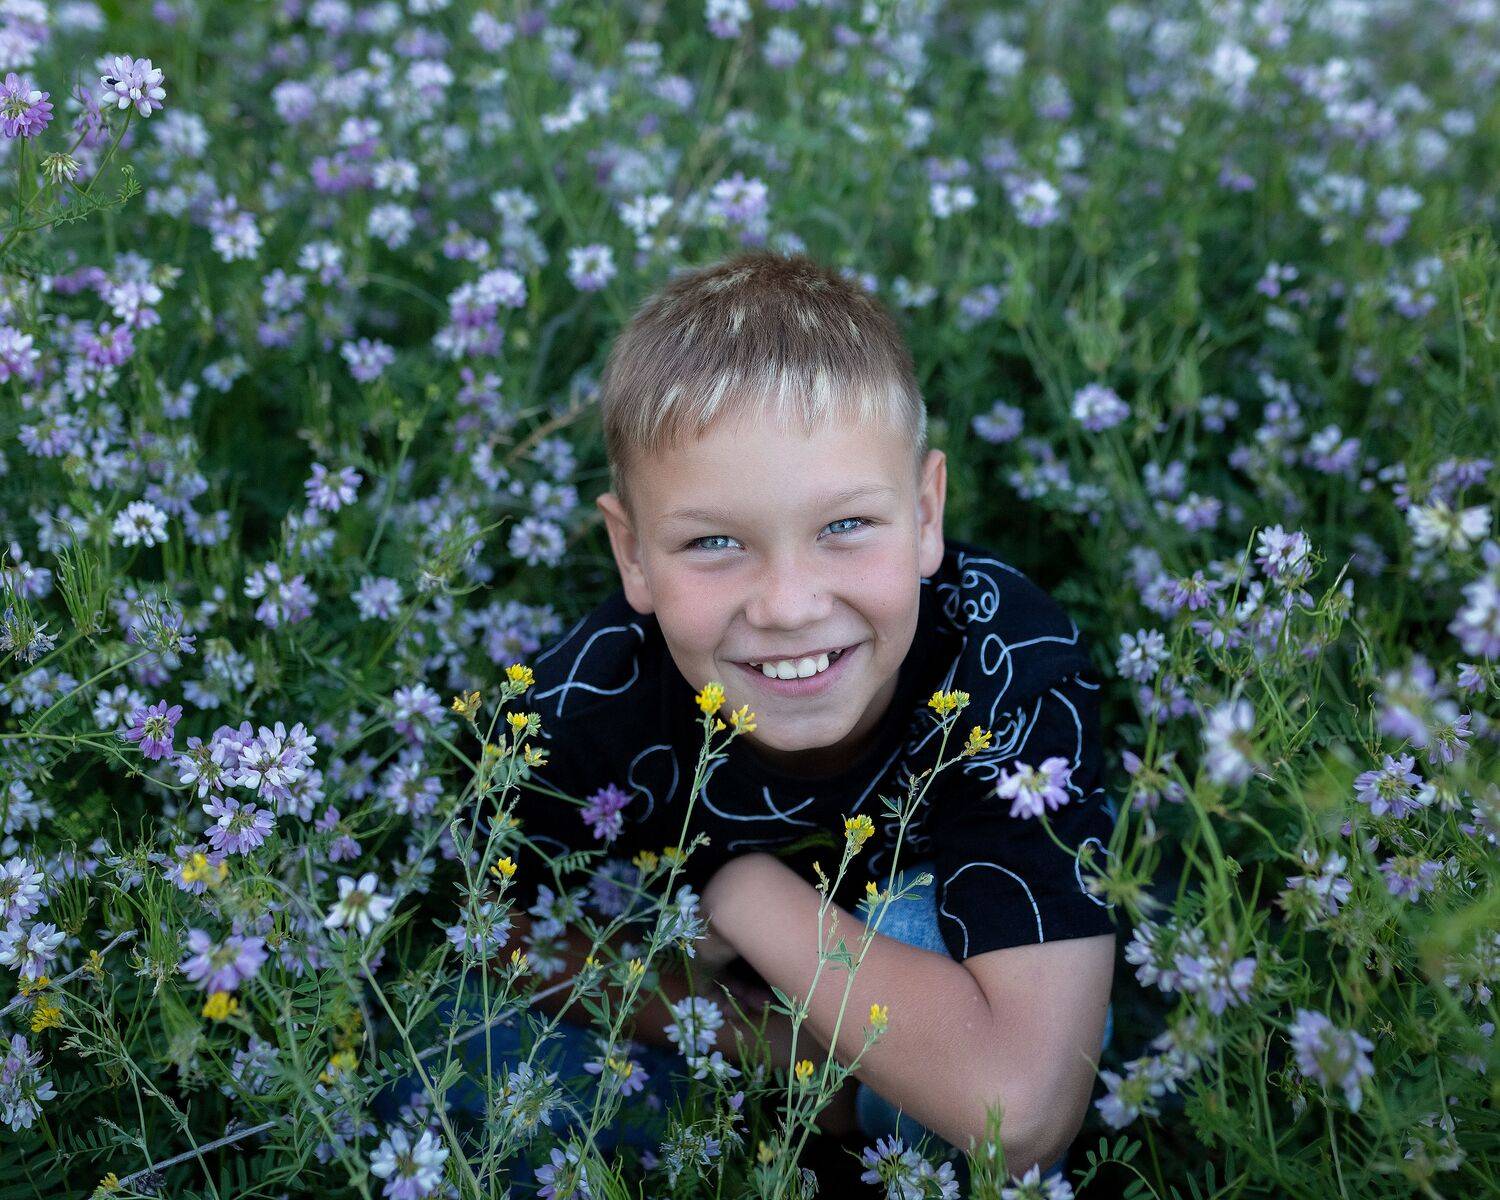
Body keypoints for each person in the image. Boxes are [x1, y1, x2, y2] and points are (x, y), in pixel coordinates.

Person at [481, 250, 1118, 1182]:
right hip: (725, 1025)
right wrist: (780, 1053)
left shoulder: (1004, 657)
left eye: (845, 526)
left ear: (927, 512)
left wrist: (744, 895)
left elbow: (1018, 1114)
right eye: (714, 542)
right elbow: (488, 926)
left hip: (959, 1009)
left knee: (922, 932)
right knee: (473, 1070)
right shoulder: (581, 705)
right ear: (632, 553)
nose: (787, 605)